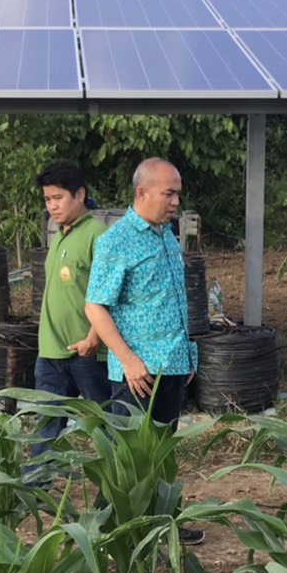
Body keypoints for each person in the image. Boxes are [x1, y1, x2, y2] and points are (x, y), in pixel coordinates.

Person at [84, 157, 203, 545]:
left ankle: (163, 520)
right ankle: (116, 528)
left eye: (177, 195)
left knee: (163, 449)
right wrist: (129, 359)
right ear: (142, 192)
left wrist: (187, 356)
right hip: (137, 373)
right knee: (129, 454)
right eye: (169, 194)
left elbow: (173, 301)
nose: (175, 203)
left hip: (172, 363)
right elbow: (96, 306)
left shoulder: (166, 236)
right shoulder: (116, 242)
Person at [31, 158, 111, 455]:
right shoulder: (59, 235)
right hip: (50, 353)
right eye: (47, 199)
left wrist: (93, 338)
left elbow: (109, 292)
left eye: (58, 198)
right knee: (45, 428)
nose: (52, 206)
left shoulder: (98, 235)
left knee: (107, 423)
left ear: (79, 194)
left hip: (87, 354)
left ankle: (119, 488)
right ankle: (34, 490)